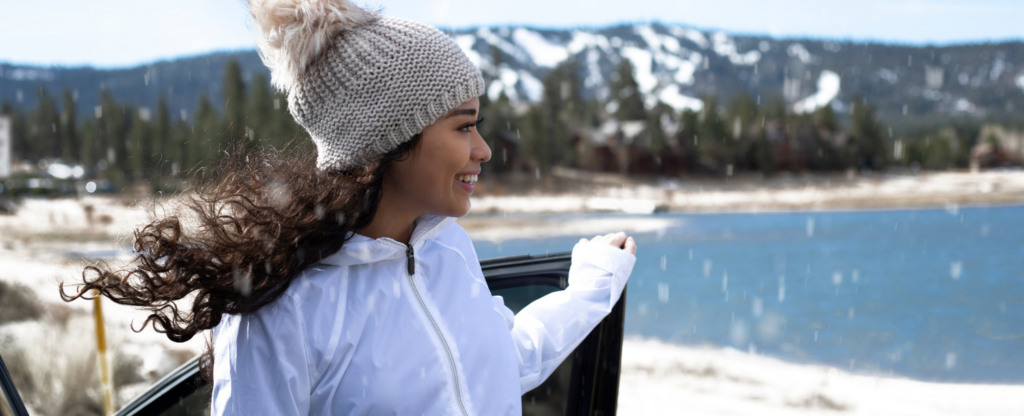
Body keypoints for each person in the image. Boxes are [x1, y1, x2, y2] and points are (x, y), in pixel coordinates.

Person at [62, 0, 637, 414]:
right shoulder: (278, 311)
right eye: (464, 126)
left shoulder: (446, 249)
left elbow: (494, 369)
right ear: (391, 139)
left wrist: (591, 288)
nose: (483, 150)